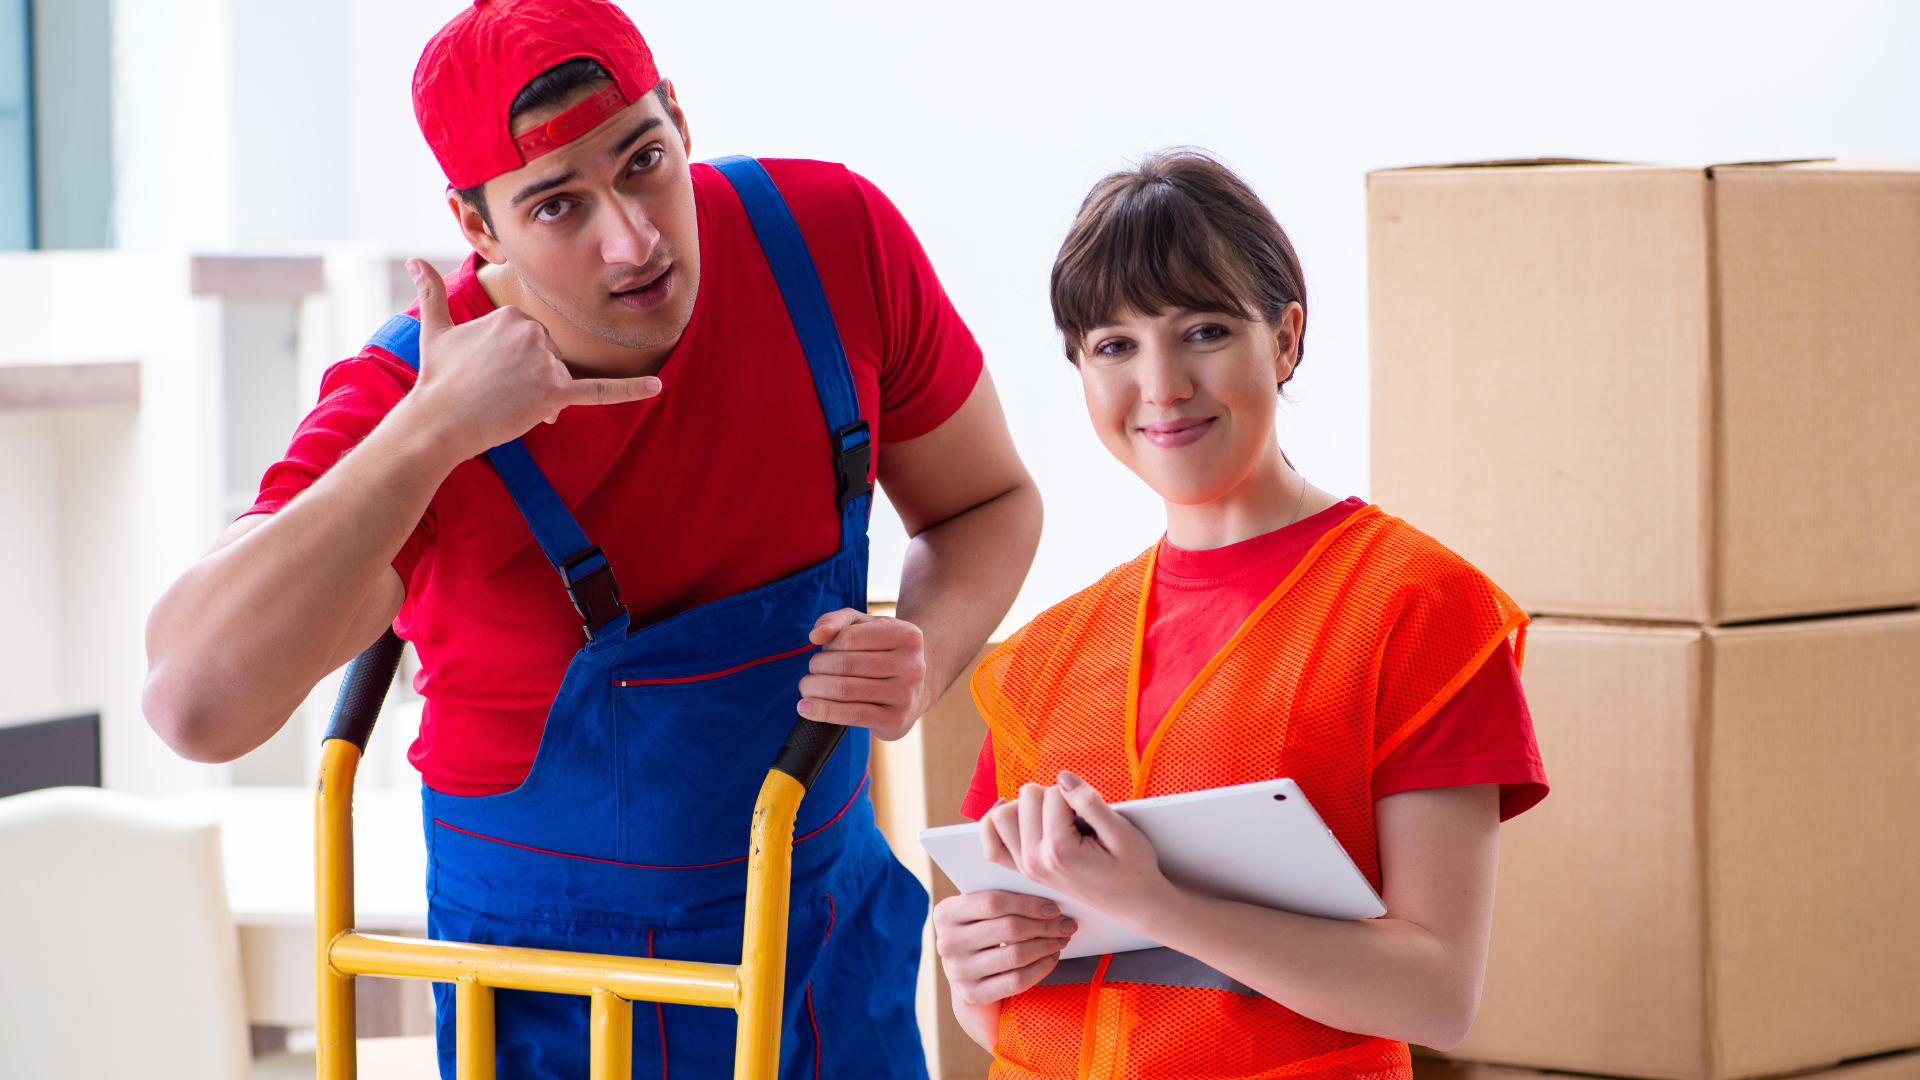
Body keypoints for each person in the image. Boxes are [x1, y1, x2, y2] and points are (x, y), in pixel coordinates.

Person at [142, 1, 1041, 1076]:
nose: (635, 238)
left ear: (679, 117)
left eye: (643, 161)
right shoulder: (405, 397)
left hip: (830, 981)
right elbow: (192, 704)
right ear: (478, 231)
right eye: (559, 205)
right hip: (556, 1018)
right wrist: (430, 434)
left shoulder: (828, 242)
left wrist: (926, 653)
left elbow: (986, 504)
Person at [930, 151, 1548, 1080]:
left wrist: (1155, 902)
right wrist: (978, 973)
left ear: (1287, 339)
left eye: (1204, 330)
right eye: (1114, 346)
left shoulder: (1413, 610)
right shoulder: (1047, 660)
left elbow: (1436, 994)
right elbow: (1012, 1014)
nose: (1164, 385)